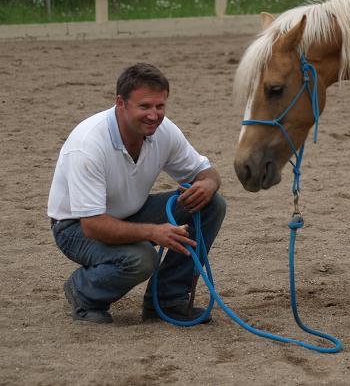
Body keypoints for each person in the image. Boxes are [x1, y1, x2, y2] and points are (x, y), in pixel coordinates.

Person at [47, 63, 226, 324]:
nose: (154, 115)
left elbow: (205, 172)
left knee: (212, 204)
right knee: (142, 257)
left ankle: (167, 300)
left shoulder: (163, 131)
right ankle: (84, 292)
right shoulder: (88, 145)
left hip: (129, 212)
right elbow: (93, 226)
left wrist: (208, 184)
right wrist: (153, 233)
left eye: (160, 106)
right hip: (75, 227)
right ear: (120, 103)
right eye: (145, 106)